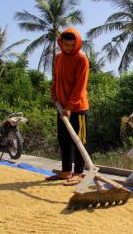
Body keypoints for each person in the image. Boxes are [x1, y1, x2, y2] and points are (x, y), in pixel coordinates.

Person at [46, 27, 89, 186]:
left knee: (79, 141)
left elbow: (80, 86)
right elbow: (56, 79)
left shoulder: (81, 59)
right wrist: (54, 93)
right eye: (66, 45)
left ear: (77, 43)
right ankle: (66, 172)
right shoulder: (58, 58)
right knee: (63, 140)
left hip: (78, 109)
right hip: (62, 107)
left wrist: (70, 107)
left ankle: (78, 173)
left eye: (72, 45)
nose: (69, 48)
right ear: (61, 44)